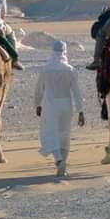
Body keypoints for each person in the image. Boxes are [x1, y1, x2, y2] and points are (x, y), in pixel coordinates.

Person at [35, 41, 85, 177]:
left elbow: (39, 90)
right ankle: (63, 164)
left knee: (50, 133)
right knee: (64, 135)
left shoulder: (45, 69)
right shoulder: (70, 69)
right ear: (65, 52)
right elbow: (77, 92)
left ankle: (59, 160)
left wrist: (37, 104)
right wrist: (80, 111)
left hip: (50, 105)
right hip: (66, 105)